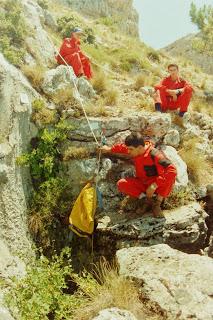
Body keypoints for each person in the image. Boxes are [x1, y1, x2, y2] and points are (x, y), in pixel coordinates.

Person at [100, 133, 177, 217]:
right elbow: (122, 148)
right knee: (122, 184)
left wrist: (154, 185)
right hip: (143, 183)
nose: (128, 151)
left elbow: (172, 170)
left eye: (130, 149)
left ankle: (157, 204)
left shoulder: (155, 155)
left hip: (156, 185)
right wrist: (109, 149)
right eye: (128, 149)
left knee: (170, 179)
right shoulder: (136, 150)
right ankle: (147, 201)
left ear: (140, 147)